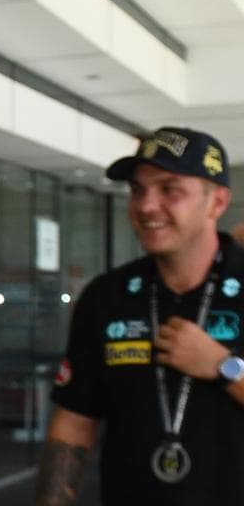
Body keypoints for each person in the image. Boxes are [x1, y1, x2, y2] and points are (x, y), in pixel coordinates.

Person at [35, 127, 244, 505]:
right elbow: (73, 424)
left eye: (169, 189)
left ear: (217, 203)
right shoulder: (106, 296)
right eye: (138, 189)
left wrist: (224, 367)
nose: (146, 206)